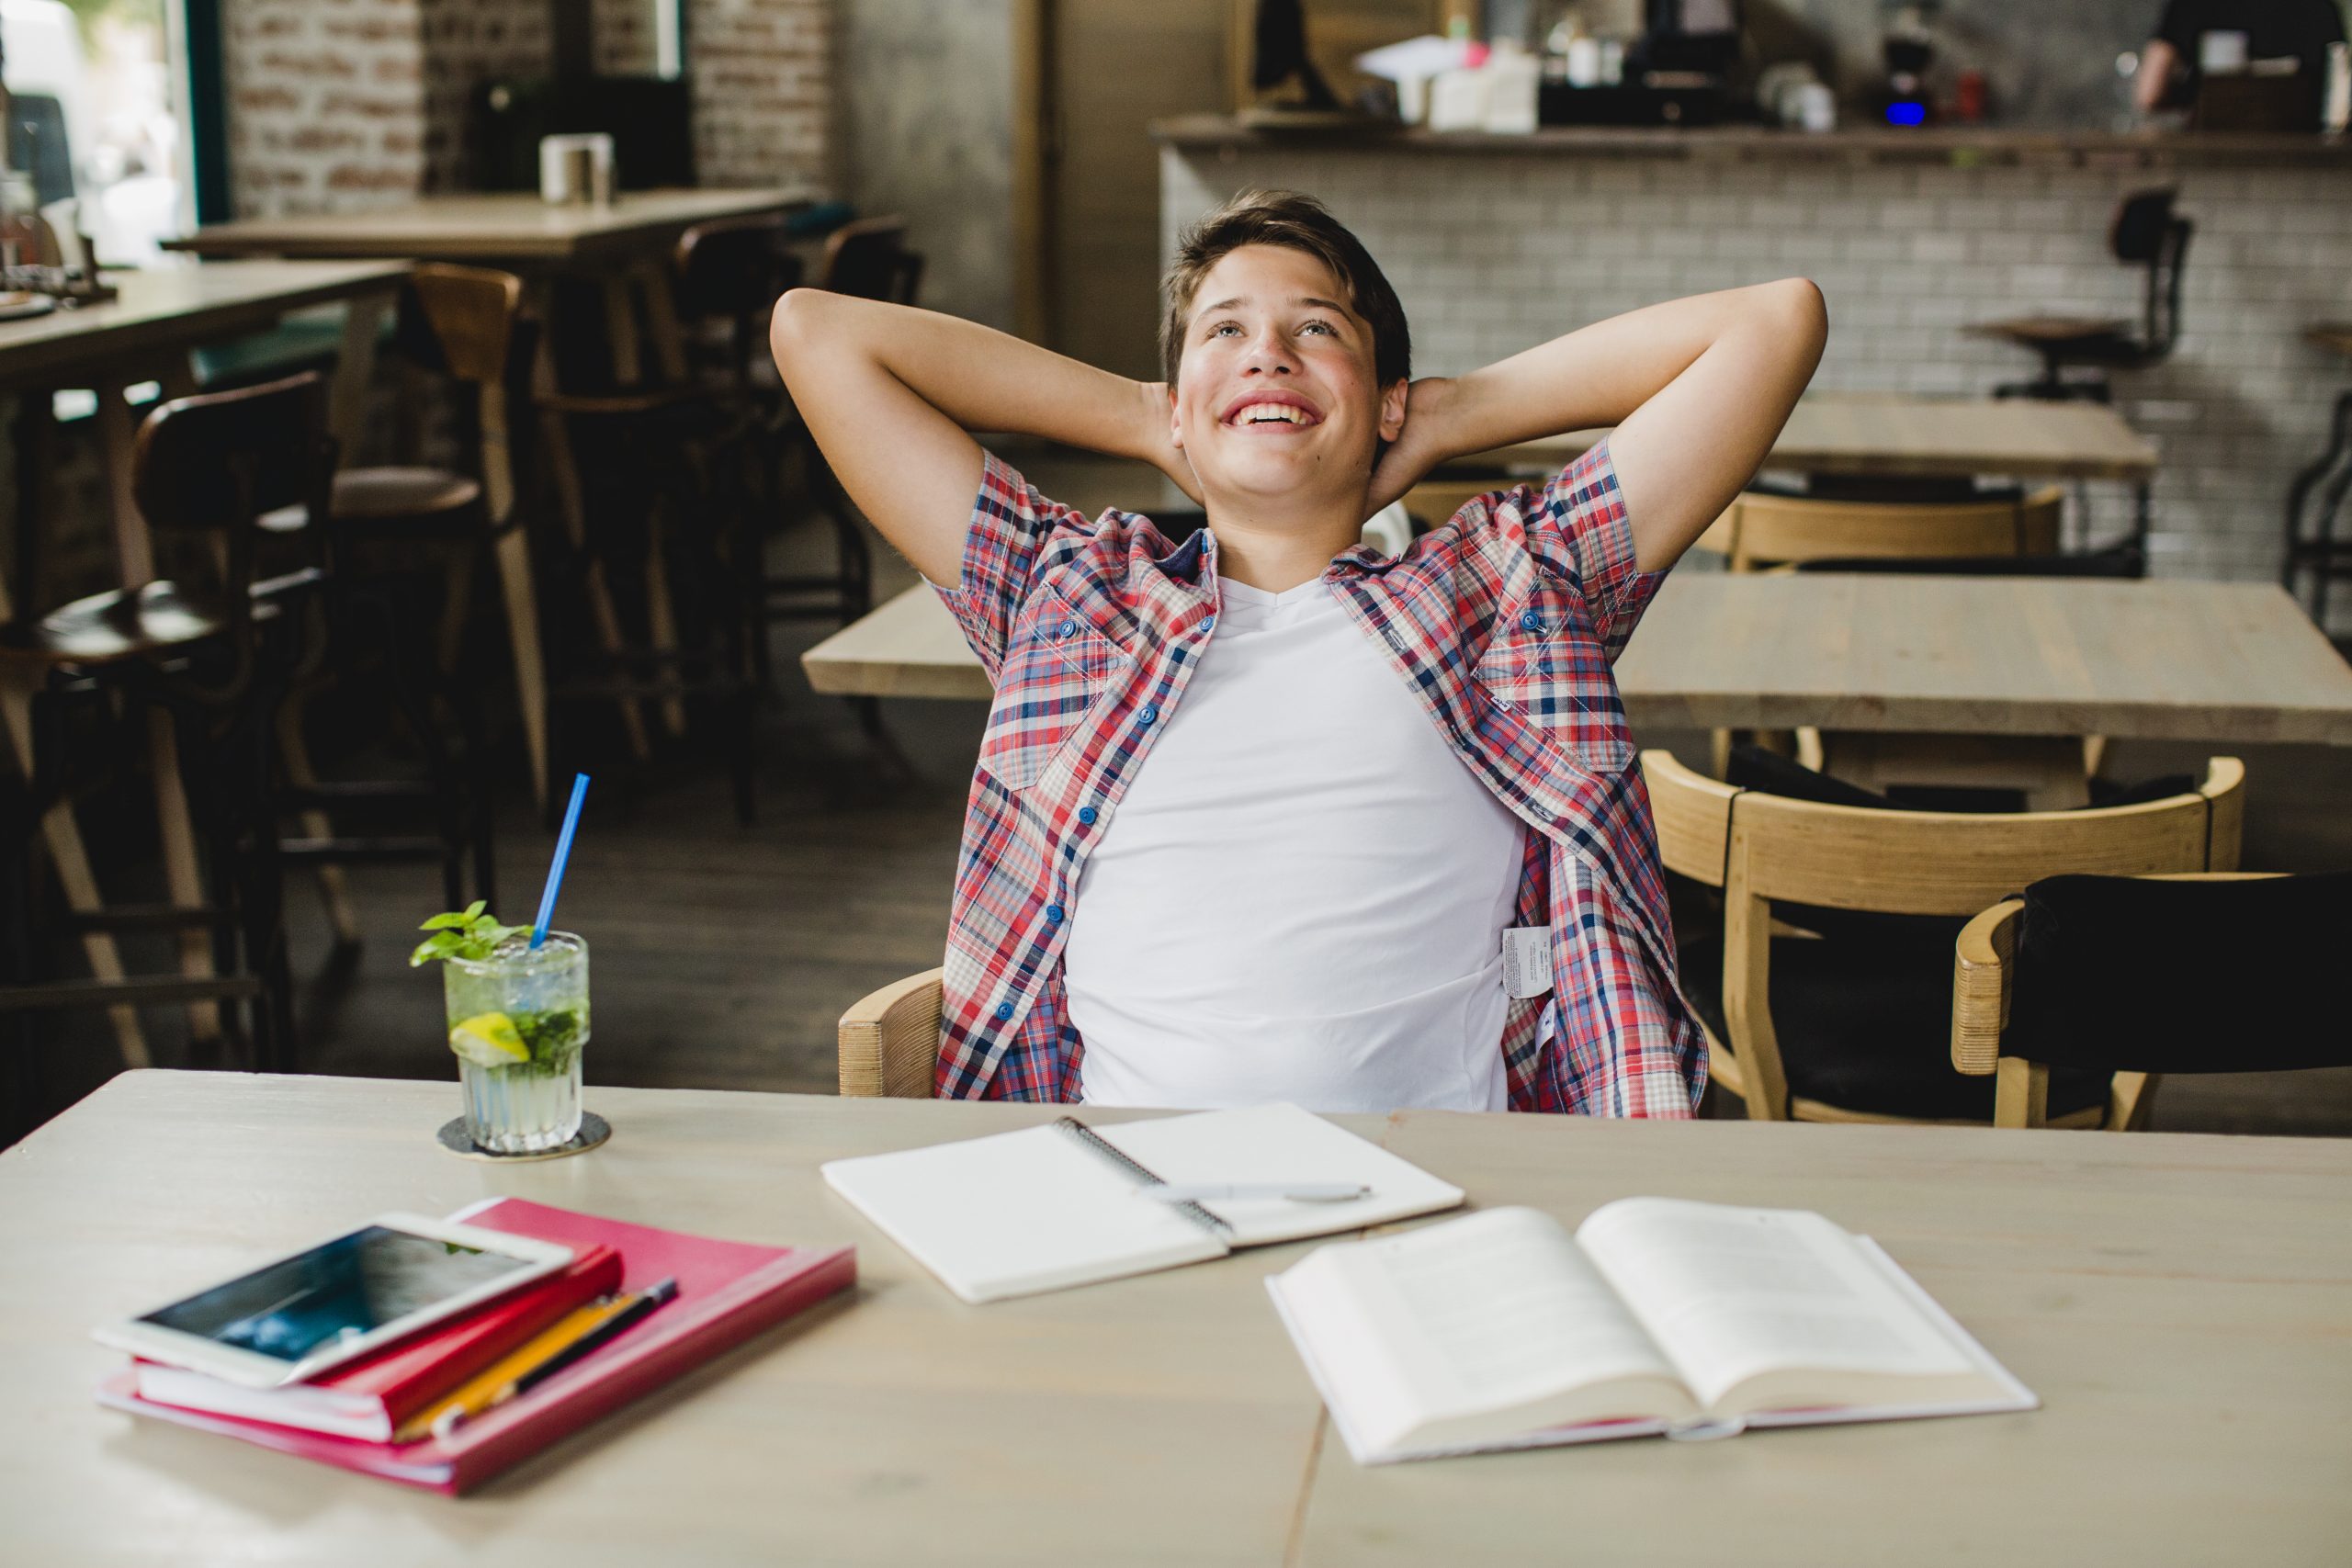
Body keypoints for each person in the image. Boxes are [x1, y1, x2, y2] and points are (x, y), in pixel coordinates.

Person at [771, 190, 1825, 1116]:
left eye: (1316, 330)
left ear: (1386, 400)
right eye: (1224, 331)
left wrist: (1448, 412)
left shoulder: (1509, 588)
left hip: (1448, 1189)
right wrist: (1149, 414)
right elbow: (817, 335)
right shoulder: (1072, 597)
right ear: (1177, 405)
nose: (1268, 352)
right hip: (1119, 1193)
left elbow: (1771, 324)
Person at [2133, 0, 2346, 117]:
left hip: (2216, 162)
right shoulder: (2320, 7)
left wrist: (2189, 98)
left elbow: (2150, 93)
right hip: (2306, 169)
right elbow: (2342, 94)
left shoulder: (2194, 5)